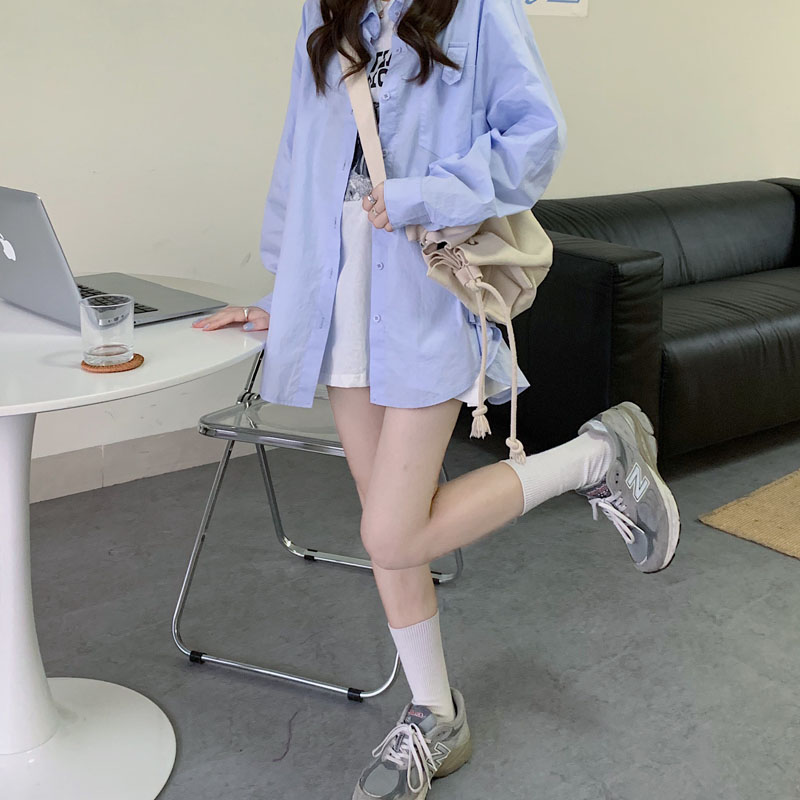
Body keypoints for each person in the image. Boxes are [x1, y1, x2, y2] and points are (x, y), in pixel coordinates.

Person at [194, 0, 682, 797]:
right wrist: (287, 298)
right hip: (339, 298)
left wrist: (428, 193)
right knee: (390, 522)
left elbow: (535, 136)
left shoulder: (479, 8)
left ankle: (596, 457)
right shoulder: (326, 12)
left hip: (424, 291)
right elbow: (299, 162)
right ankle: (435, 712)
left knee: (390, 531)